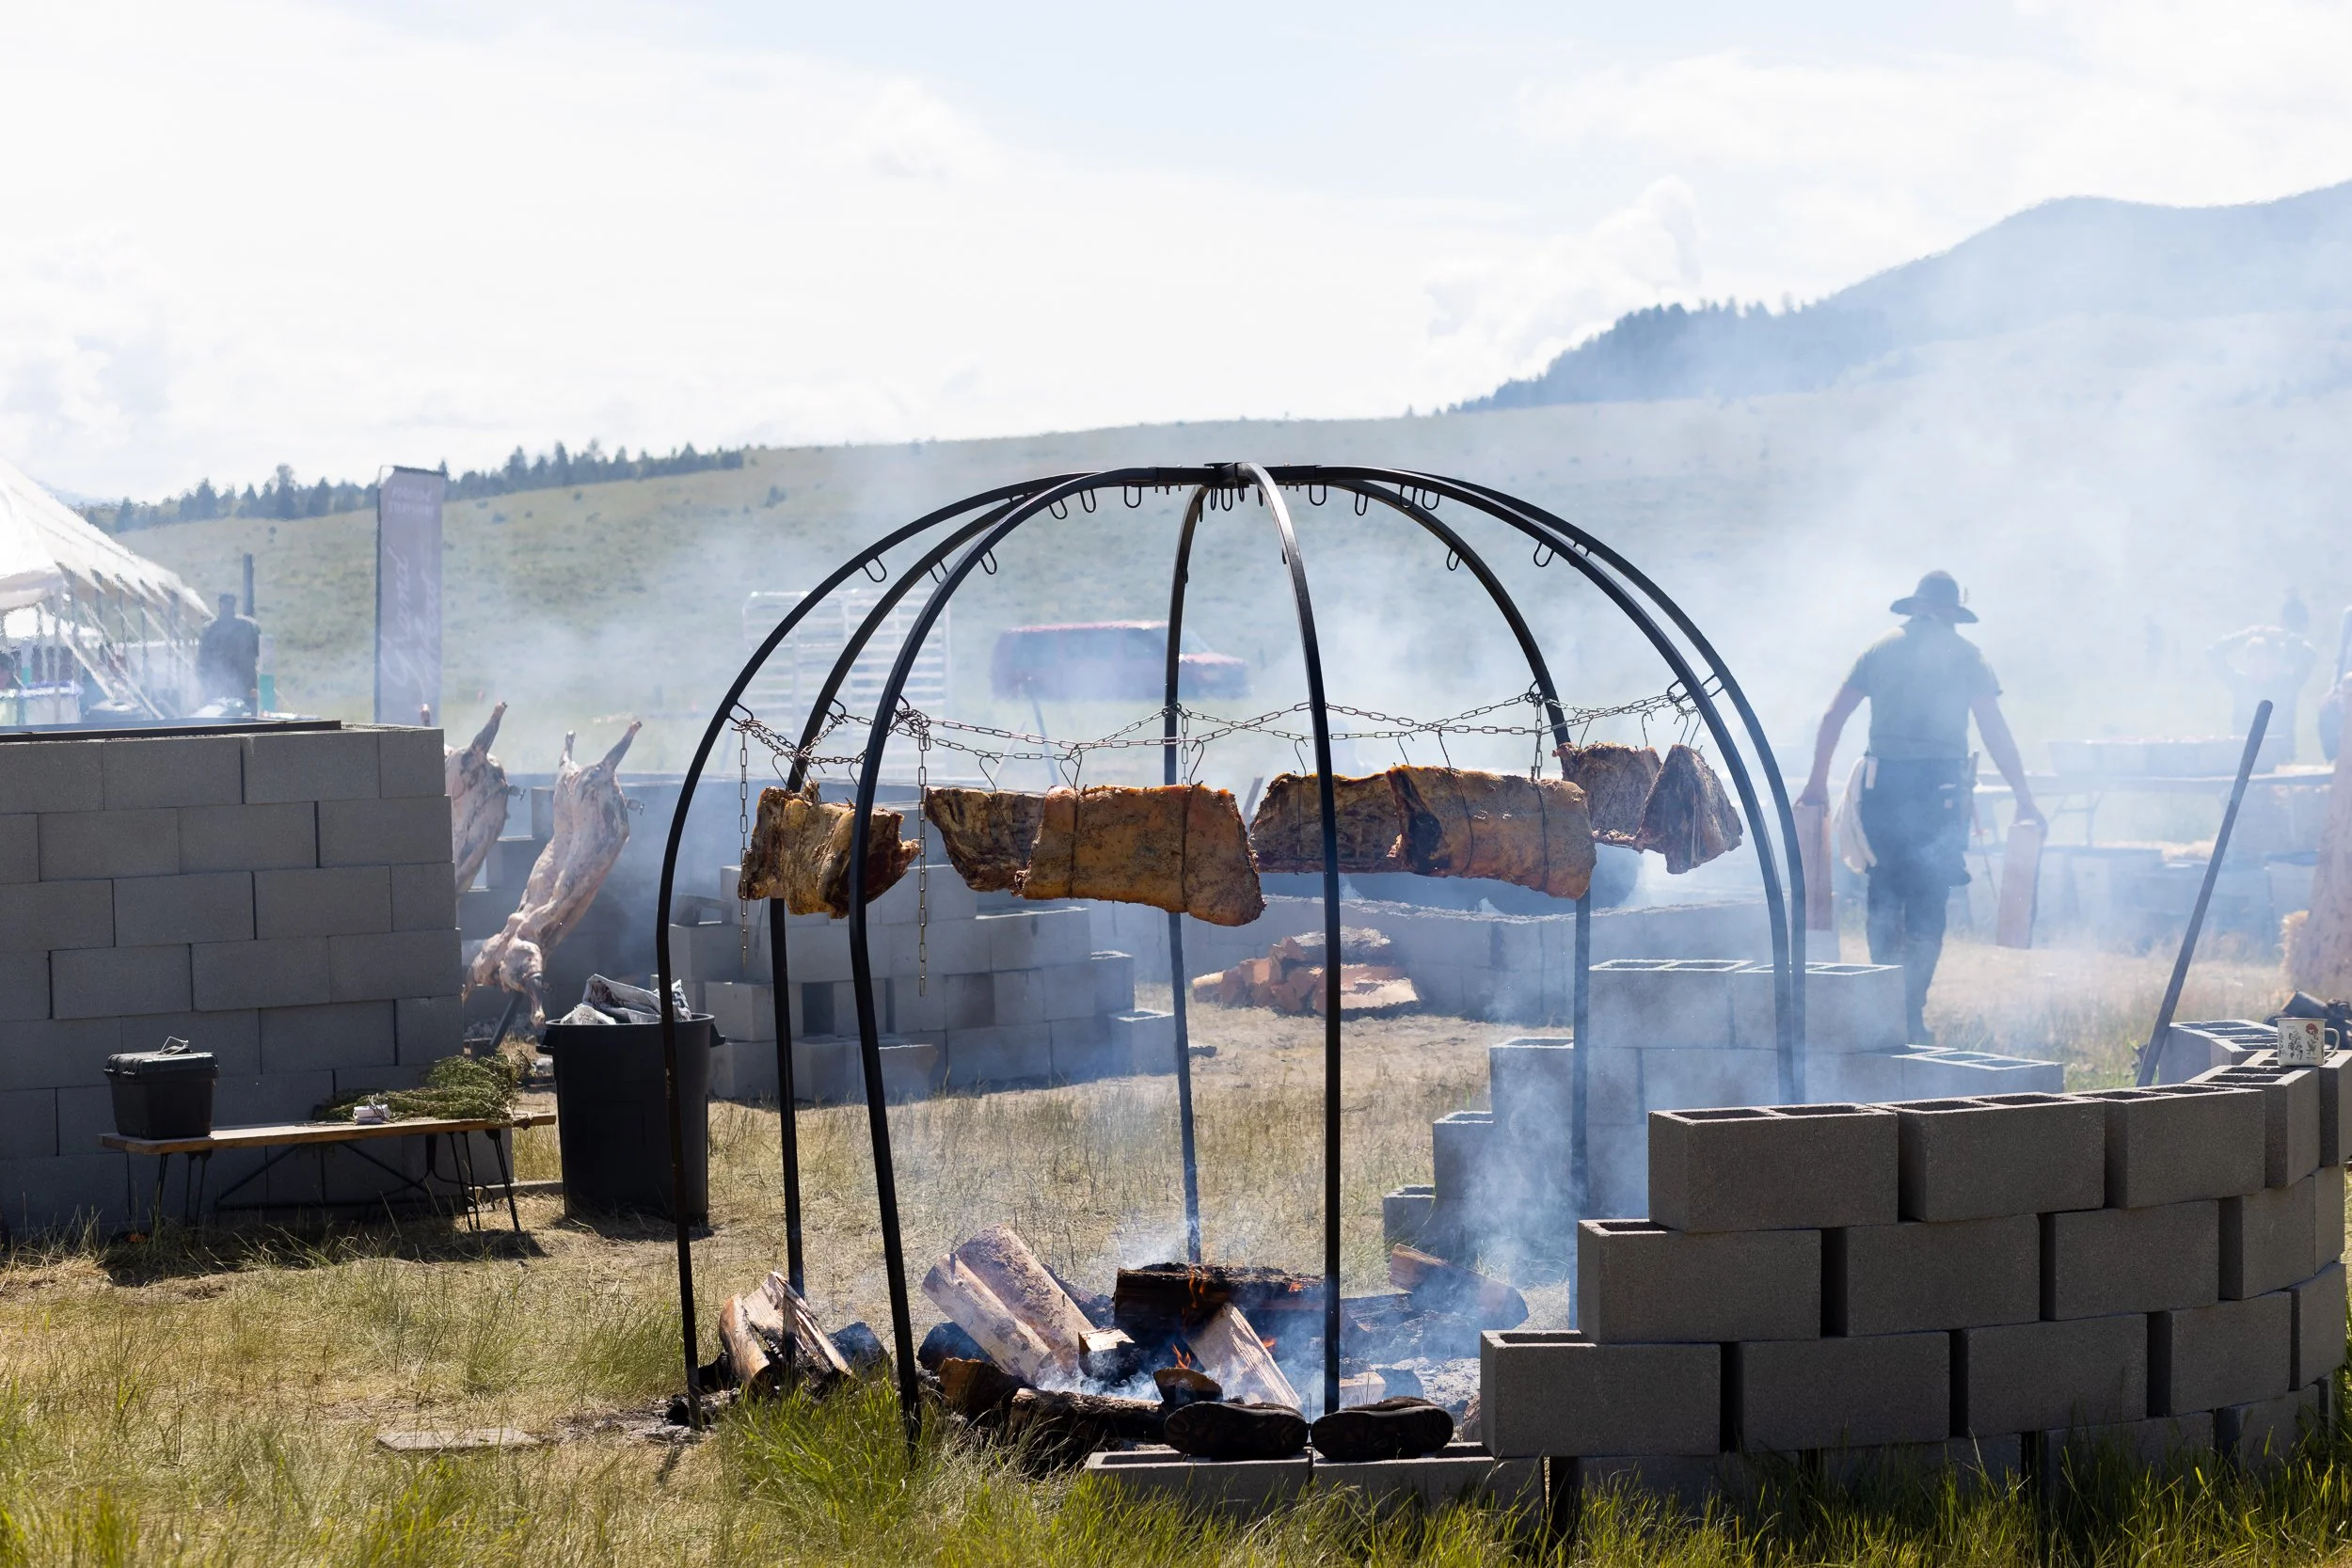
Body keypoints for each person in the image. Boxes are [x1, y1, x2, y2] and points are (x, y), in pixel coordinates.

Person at [1798, 571, 2044, 1045]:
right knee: (1929, 898)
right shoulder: (1967, 655)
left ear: (1914, 607)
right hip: (1941, 791)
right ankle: (1912, 1013)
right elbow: (1994, 729)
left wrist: (1816, 784)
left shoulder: (1879, 648)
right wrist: (2024, 798)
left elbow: (1833, 716)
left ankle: (1882, 1013)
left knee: (1884, 892)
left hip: (1882, 786)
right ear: (1951, 612)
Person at [2208, 597, 2319, 765]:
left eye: (2262, 663)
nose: (2256, 668)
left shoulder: (2288, 684)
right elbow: (2213, 653)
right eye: (2252, 662)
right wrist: (2243, 635)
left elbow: (2310, 655)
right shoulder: (2240, 683)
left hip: (2281, 758)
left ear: (2274, 663)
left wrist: (2286, 636)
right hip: (2243, 758)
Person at [196, 592, 261, 711]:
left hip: (245, 683)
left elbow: (258, 651)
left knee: (248, 715)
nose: (227, 607)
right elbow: (202, 659)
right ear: (220, 605)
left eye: (230, 604)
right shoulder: (210, 628)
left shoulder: (248, 626)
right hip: (219, 684)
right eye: (225, 604)